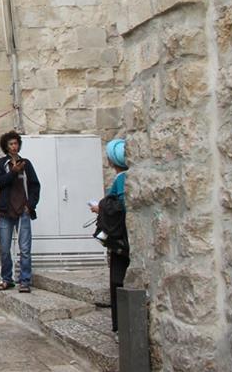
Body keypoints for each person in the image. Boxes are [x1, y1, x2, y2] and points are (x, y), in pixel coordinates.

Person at [0, 130, 41, 293]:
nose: (14, 146)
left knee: (25, 249)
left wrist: (30, 205)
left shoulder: (26, 164)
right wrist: (13, 172)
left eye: (16, 143)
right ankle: (7, 279)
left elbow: (35, 185)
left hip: (23, 211)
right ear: (6, 147)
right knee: (5, 249)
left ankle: (25, 281)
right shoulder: (1, 164)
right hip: (6, 212)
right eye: (11, 144)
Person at [91, 138, 130, 332]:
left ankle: (120, 325)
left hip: (120, 238)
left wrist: (100, 208)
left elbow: (120, 206)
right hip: (123, 237)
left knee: (118, 278)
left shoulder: (121, 178)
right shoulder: (125, 177)